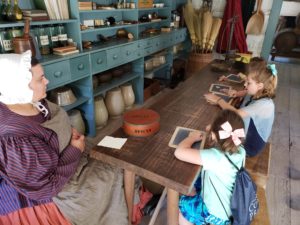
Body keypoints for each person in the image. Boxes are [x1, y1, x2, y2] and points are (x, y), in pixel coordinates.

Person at [0, 51, 128, 225]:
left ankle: (137, 199)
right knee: (108, 173)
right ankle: (131, 208)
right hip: (56, 181)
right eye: (40, 79)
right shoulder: (15, 138)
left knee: (117, 157)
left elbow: (55, 119)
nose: (47, 82)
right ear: (18, 85)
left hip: (66, 150)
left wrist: (69, 131)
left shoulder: (27, 100)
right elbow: (46, 188)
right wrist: (74, 151)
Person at [174, 110, 246, 225]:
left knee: (185, 205)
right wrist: (214, 131)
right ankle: (194, 193)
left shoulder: (215, 157)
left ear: (213, 135)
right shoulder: (241, 151)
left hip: (216, 216)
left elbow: (179, 152)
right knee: (196, 181)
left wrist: (192, 138)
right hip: (233, 208)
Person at [204, 59, 277, 156]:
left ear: (260, 86)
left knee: (211, 141)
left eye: (248, 83)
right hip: (243, 136)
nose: (245, 84)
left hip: (249, 147)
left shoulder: (265, 105)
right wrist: (237, 93)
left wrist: (218, 100)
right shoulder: (259, 93)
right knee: (214, 133)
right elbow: (247, 92)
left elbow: (235, 114)